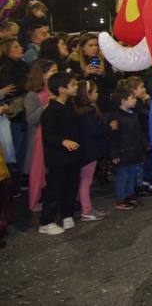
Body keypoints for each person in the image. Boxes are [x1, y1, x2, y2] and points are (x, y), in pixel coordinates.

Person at [39, 72, 81, 235]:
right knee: (56, 188)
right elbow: (48, 135)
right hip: (57, 157)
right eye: (72, 85)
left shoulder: (70, 106)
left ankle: (67, 214)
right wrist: (63, 141)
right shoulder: (51, 110)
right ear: (61, 89)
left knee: (71, 186)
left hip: (73, 155)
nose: (76, 87)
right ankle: (46, 221)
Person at [75, 80, 112, 221]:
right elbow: (95, 131)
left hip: (84, 149)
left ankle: (83, 203)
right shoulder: (88, 112)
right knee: (86, 180)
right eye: (95, 92)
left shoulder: (80, 111)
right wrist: (109, 127)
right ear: (87, 95)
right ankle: (86, 209)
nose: (97, 94)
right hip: (89, 151)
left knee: (83, 179)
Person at [23, 58, 57, 212]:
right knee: (40, 172)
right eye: (53, 72)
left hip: (54, 137)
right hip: (38, 140)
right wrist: (46, 106)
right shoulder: (32, 95)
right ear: (43, 75)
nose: (56, 75)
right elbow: (31, 119)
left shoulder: (56, 90)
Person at [107, 89, 144, 210]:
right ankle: (121, 198)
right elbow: (113, 138)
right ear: (123, 101)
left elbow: (138, 134)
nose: (135, 100)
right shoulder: (115, 117)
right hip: (123, 152)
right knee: (123, 176)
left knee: (132, 174)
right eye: (132, 98)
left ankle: (129, 194)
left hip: (134, 151)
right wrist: (114, 154)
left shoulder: (133, 115)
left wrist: (144, 144)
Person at [0, 38, 30, 175]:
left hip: (21, 112)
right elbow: (11, 89)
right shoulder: (7, 67)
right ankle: (15, 179)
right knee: (16, 148)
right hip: (14, 113)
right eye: (16, 47)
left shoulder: (22, 65)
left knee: (21, 146)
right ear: (7, 50)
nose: (21, 48)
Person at [67, 33, 118, 111]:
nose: (94, 48)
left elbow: (113, 84)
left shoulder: (103, 60)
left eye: (96, 45)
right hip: (83, 105)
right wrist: (84, 74)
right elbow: (72, 85)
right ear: (83, 47)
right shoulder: (74, 62)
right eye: (90, 45)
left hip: (104, 103)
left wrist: (104, 74)